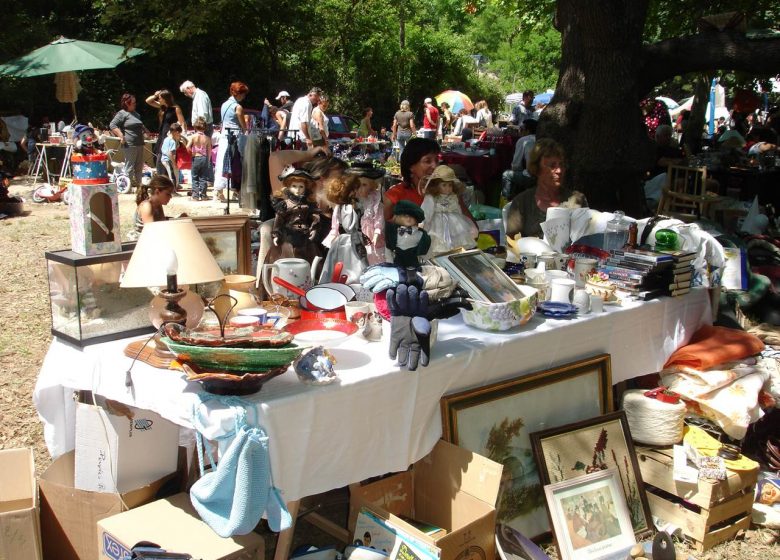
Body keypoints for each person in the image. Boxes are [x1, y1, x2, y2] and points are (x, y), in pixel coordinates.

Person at [383, 137, 475, 222]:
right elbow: (385, 233)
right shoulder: (395, 196)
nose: (435, 166)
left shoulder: (447, 191)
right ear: (411, 166)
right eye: (427, 161)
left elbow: (471, 227)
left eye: (436, 160)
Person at [506, 138, 574, 238]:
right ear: (537, 169)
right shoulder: (522, 203)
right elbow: (511, 244)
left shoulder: (575, 201)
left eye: (561, 165)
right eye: (552, 165)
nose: (559, 170)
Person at [319, 174, 370, 284]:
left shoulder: (348, 205)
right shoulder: (347, 208)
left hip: (351, 238)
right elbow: (349, 226)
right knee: (351, 265)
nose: (360, 190)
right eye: (358, 188)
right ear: (352, 191)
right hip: (349, 240)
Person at [420, 165, 478, 256]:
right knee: (436, 244)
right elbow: (426, 211)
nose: (448, 188)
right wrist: (422, 224)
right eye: (444, 185)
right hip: (437, 225)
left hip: (454, 224)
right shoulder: (431, 198)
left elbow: (458, 211)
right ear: (436, 185)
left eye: (450, 185)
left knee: (456, 243)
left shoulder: (453, 197)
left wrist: (465, 224)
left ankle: (451, 259)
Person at [213, 81, 249, 200]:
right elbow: (244, 127)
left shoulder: (224, 104)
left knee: (222, 163)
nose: (244, 97)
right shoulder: (238, 107)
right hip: (235, 138)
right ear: (238, 94)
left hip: (224, 136)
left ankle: (219, 191)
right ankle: (236, 190)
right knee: (236, 164)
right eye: (243, 94)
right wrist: (246, 131)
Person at [109, 93, 147, 188]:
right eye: (133, 103)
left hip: (139, 143)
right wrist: (121, 135)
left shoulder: (136, 114)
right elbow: (112, 125)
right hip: (129, 144)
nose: (135, 104)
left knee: (139, 166)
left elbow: (140, 125)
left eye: (135, 102)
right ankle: (127, 186)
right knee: (129, 166)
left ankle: (139, 186)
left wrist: (146, 131)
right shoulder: (122, 113)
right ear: (127, 103)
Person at [128, 175, 180, 239]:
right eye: (168, 194)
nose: (170, 197)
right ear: (157, 192)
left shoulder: (158, 205)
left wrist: (179, 219)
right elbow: (152, 231)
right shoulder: (146, 206)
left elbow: (162, 223)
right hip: (141, 242)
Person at [145, 89, 187, 164]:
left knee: (166, 155)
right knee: (159, 153)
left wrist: (181, 135)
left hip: (170, 134)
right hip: (162, 133)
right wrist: (155, 95)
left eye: (160, 98)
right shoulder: (163, 107)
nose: (159, 99)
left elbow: (182, 123)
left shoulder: (175, 108)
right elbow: (148, 101)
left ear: (165, 99)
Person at [501, 118, 538, 202]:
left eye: (521, 129)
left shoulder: (523, 140)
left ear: (527, 130)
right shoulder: (540, 139)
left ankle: (506, 202)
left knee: (506, 175)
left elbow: (516, 165)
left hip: (531, 177)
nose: (520, 132)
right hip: (541, 175)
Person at [186, 117, 212, 200]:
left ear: (195, 127)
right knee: (203, 177)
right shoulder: (208, 138)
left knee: (195, 177)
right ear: (205, 127)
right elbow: (209, 151)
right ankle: (204, 195)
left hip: (196, 157)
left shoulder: (193, 137)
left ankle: (195, 196)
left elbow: (187, 147)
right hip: (204, 158)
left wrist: (191, 153)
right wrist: (208, 161)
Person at [157, 123, 184, 191]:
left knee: (168, 175)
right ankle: (173, 190)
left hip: (163, 159)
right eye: (179, 133)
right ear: (176, 132)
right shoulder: (172, 142)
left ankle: (172, 188)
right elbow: (171, 153)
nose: (179, 135)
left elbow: (163, 149)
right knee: (172, 175)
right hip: (168, 160)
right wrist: (174, 162)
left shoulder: (166, 139)